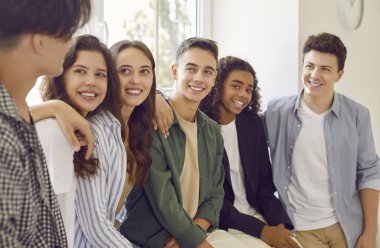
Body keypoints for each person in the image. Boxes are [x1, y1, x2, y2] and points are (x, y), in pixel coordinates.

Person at [120, 37, 249, 248]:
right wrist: (191, 239)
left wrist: (196, 231)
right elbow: (162, 198)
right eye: (191, 68)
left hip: (194, 231)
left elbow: (216, 193)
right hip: (154, 237)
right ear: (174, 71)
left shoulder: (212, 130)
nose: (199, 78)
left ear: (214, 78)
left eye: (207, 71)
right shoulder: (153, 123)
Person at [264, 32, 380, 248]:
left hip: (346, 226)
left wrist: (370, 232)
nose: (314, 75)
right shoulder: (276, 112)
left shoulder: (357, 115)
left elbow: (370, 172)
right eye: (309, 66)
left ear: (339, 74)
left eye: (325, 69)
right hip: (299, 228)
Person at [0, 0, 91, 246]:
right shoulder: (5, 139)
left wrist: (55, 106)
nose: (71, 43)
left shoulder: (20, 113)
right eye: (69, 32)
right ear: (41, 40)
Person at [199, 56, 301, 248]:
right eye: (236, 86)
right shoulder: (201, 127)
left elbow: (264, 184)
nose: (244, 95)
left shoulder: (252, 125)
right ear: (217, 85)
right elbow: (212, 199)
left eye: (248, 89)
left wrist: (279, 225)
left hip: (256, 215)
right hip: (221, 223)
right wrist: (263, 231)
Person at [35, 34, 125, 248]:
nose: (91, 81)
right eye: (80, 71)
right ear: (61, 75)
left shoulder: (97, 124)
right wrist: (54, 107)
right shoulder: (55, 132)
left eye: (100, 74)